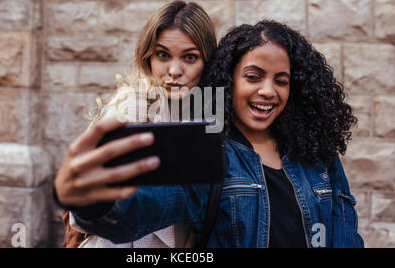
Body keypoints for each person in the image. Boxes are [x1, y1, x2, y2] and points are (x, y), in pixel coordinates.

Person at [55, 20, 364, 247]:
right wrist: (88, 201)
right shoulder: (208, 153)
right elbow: (140, 212)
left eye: (281, 80)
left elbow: (347, 234)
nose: (268, 91)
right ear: (229, 82)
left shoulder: (318, 155)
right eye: (253, 77)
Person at [55, 0, 217, 248]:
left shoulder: (212, 120)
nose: (174, 70)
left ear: (206, 61)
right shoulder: (125, 110)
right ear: (148, 57)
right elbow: (82, 209)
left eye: (190, 57)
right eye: (163, 55)